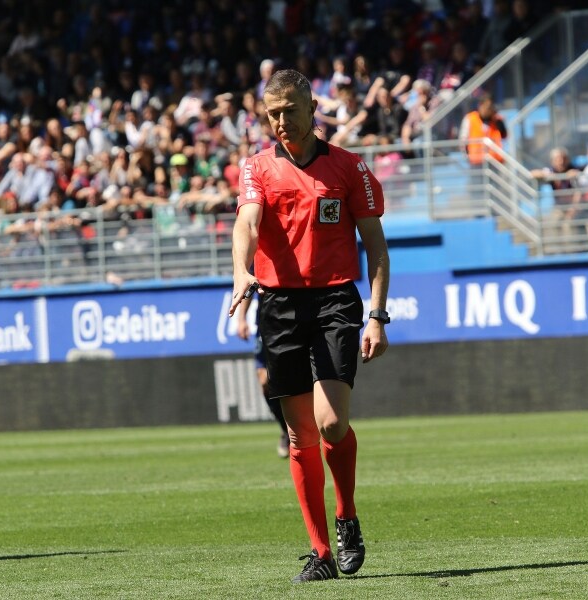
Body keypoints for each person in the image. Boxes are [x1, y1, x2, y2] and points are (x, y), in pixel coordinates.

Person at [229, 69, 390, 583]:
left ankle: (347, 516)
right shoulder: (256, 169)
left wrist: (377, 315)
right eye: (272, 114)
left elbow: (377, 248)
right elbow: (247, 223)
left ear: (312, 107)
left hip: (335, 302)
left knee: (330, 425)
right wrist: (241, 268)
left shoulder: (349, 168)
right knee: (300, 437)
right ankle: (320, 552)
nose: (280, 122)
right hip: (277, 306)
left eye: (288, 111)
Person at [234, 293, 291, 458]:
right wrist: (241, 318)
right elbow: (249, 285)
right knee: (264, 380)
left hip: (296, 320)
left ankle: (303, 428)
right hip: (267, 323)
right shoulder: (258, 266)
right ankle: (286, 429)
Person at [459, 95, 508, 166]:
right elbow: (463, 141)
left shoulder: (497, 120)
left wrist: (498, 120)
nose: (488, 110)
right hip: (476, 163)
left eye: (491, 107)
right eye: (487, 107)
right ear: (480, 106)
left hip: (496, 162)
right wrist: (467, 157)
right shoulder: (470, 118)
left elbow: (505, 137)